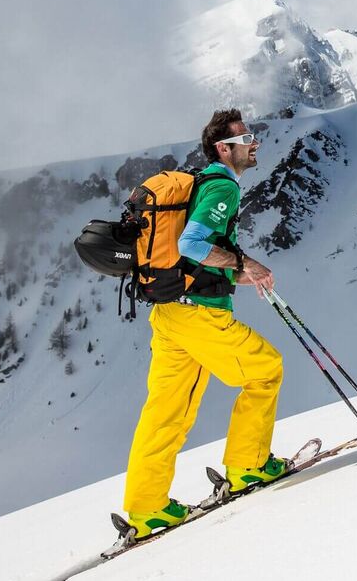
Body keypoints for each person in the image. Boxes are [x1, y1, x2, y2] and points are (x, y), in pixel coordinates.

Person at [120, 109, 287, 538]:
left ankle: (146, 508)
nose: (255, 142)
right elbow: (191, 243)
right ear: (223, 148)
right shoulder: (222, 186)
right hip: (199, 314)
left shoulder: (199, 181)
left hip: (169, 312)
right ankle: (248, 467)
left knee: (166, 411)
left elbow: (192, 252)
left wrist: (235, 272)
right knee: (266, 370)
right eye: (246, 136)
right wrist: (242, 261)